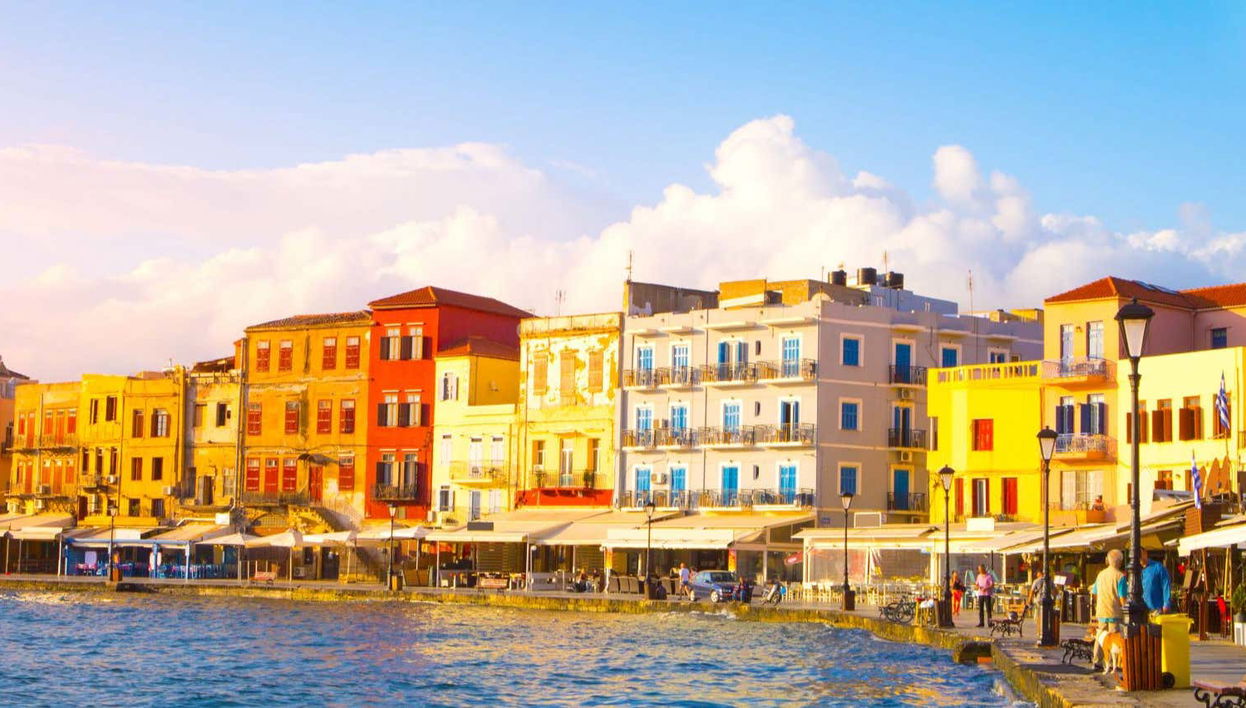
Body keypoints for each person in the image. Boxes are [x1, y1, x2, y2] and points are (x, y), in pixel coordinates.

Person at [1090, 548, 1126, 668]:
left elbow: (1094, 592)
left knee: (1100, 637)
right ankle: (1111, 663)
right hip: (1114, 612)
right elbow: (1122, 597)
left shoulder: (1101, 574)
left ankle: (1096, 661)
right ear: (1120, 561)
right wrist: (1125, 609)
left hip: (1101, 611)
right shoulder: (1120, 576)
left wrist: (1099, 603)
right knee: (1113, 639)